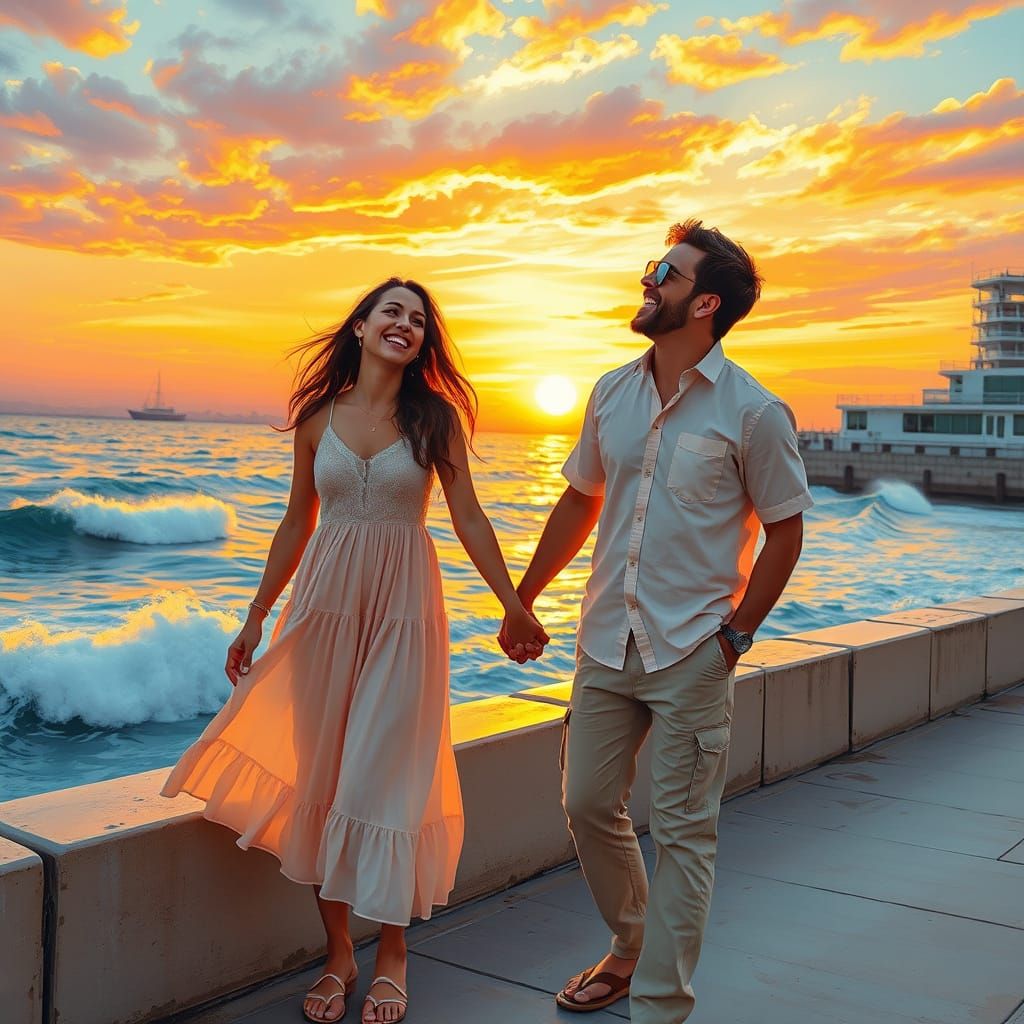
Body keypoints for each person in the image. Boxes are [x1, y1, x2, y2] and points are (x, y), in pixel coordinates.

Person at [162, 277, 547, 1024]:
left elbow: (467, 515)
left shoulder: (434, 419)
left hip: (403, 614)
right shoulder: (317, 417)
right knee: (324, 780)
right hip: (323, 610)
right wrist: (253, 618)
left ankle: (394, 950)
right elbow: (293, 525)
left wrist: (513, 601)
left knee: (385, 780)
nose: (405, 324)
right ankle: (339, 953)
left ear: (423, 342)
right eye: (391, 313)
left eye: (418, 320)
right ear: (362, 327)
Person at [500, 220, 812, 1022]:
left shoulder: (754, 412)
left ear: (705, 302)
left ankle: (660, 1006)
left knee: (683, 835)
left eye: (665, 274)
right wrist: (523, 597)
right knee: (585, 803)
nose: (649, 281)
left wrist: (735, 638)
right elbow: (581, 497)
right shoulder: (610, 390)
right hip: (608, 640)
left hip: (693, 650)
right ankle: (631, 944)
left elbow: (786, 529)